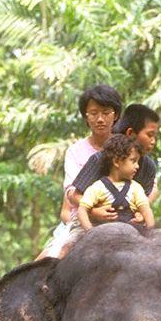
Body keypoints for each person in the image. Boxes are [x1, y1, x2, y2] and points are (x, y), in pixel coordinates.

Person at [38, 83, 122, 259]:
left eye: (106, 113)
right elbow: (71, 192)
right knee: (50, 260)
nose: (100, 119)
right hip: (84, 220)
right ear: (86, 117)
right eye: (93, 113)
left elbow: (149, 185)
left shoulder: (127, 147)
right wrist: (94, 211)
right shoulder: (75, 151)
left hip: (123, 217)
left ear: (115, 115)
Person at [70, 103, 160, 220]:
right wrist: (94, 211)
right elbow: (75, 196)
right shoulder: (99, 159)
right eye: (149, 135)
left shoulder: (149, 167)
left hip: (130, 222)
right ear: (130, 133)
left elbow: (144, 200)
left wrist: (141, 214)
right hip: (93, 222)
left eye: (155, 136)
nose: (153, 141)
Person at [76, 134, 155, 234]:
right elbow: (82, 210)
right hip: (103, 234)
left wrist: (149, 230)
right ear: (116, 161)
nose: (137, 166)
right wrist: (90, 231)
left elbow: (146, 210)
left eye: (138, 162)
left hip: (131, 234)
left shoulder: (136, 188)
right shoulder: (97, 187)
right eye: (133, 161)